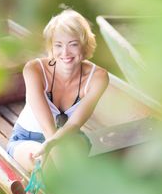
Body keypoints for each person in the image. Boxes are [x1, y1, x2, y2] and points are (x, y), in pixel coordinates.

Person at [7, 9, 109, 172]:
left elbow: (75, 123)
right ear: (51, 47)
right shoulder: (34, 69)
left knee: (74, 161)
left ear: (84, 45)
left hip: (69, 135)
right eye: (58, 45)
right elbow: (48, 129)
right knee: (45, 168)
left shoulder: (98, 77)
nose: (65, 53)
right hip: (27, 137)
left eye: (73, 44)